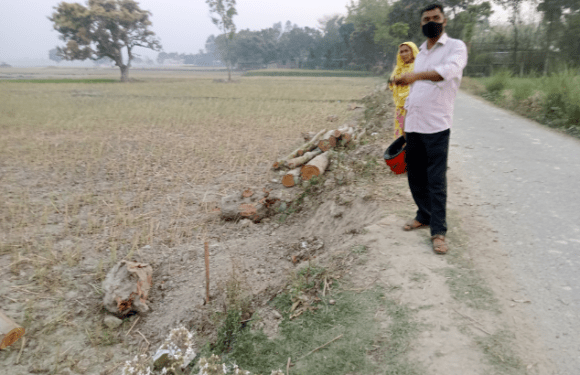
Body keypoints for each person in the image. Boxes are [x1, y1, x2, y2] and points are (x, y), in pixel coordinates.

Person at [393, 3, 468, 254]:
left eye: (435, 18)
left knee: (436, 180)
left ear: (444, 21)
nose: (430, 22)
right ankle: (423, 215)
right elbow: (417, 86)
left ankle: (438, 231)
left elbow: (447, 72)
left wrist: (414, 76)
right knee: (415, 176)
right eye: (426, 19)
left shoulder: (455, 47)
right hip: (413, 125)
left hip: (436, 126)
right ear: (422, 23)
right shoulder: (421, 52)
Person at [388, 42, 420, 139]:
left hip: (414, 109)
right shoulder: (398, 68)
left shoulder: (419, 67)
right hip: (400, 107)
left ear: (413, 51)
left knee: (412, 136)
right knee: (400, 137)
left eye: (407, 51)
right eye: (401, 52)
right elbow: (391, 83)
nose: (403, 54)